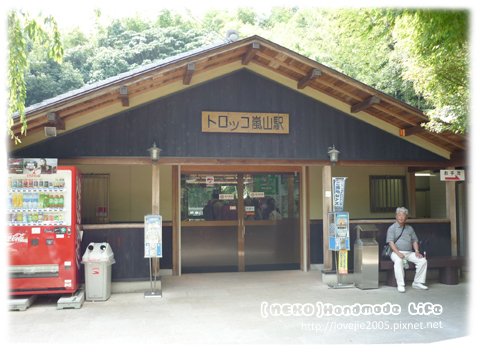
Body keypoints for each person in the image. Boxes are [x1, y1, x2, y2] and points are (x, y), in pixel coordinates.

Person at [386, 207, 428, 293]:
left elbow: (414, 240)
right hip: (395, 252)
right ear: (396, 216)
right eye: (399, 215)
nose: (401, 217)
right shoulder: (392, 228)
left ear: (406, 217)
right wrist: (398, 253)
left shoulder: (409, 228)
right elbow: (390, 242)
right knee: (398, 261)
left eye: (403, 215)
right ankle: (401, 284)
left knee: (423, 261)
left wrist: (416, 251)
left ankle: (417, 282)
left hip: (409, 252)